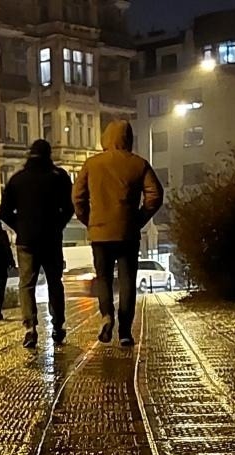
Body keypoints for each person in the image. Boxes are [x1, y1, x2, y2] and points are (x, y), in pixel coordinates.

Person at [72, 119, 164, 347]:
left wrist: (90, 221)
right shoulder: (139, 164)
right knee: (127, 281)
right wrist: (138, 219)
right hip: (127, 233)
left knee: (103, 278)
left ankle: (106, 316)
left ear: (106, 138)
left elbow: (77, 197)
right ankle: (125, 332)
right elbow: (155, 195)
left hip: (100, 234)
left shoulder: (91, 164)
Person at [0, 139, 74, 349]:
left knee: (26, 283)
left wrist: (20, 227)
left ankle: (30, 328)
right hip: (51, 238)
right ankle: (58, 326)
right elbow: (70, 206)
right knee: (54, 282)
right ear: (49, 154)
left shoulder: (17, 180)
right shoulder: (58, 177)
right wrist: (58, 224)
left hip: (27, 241)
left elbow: (4, 212)